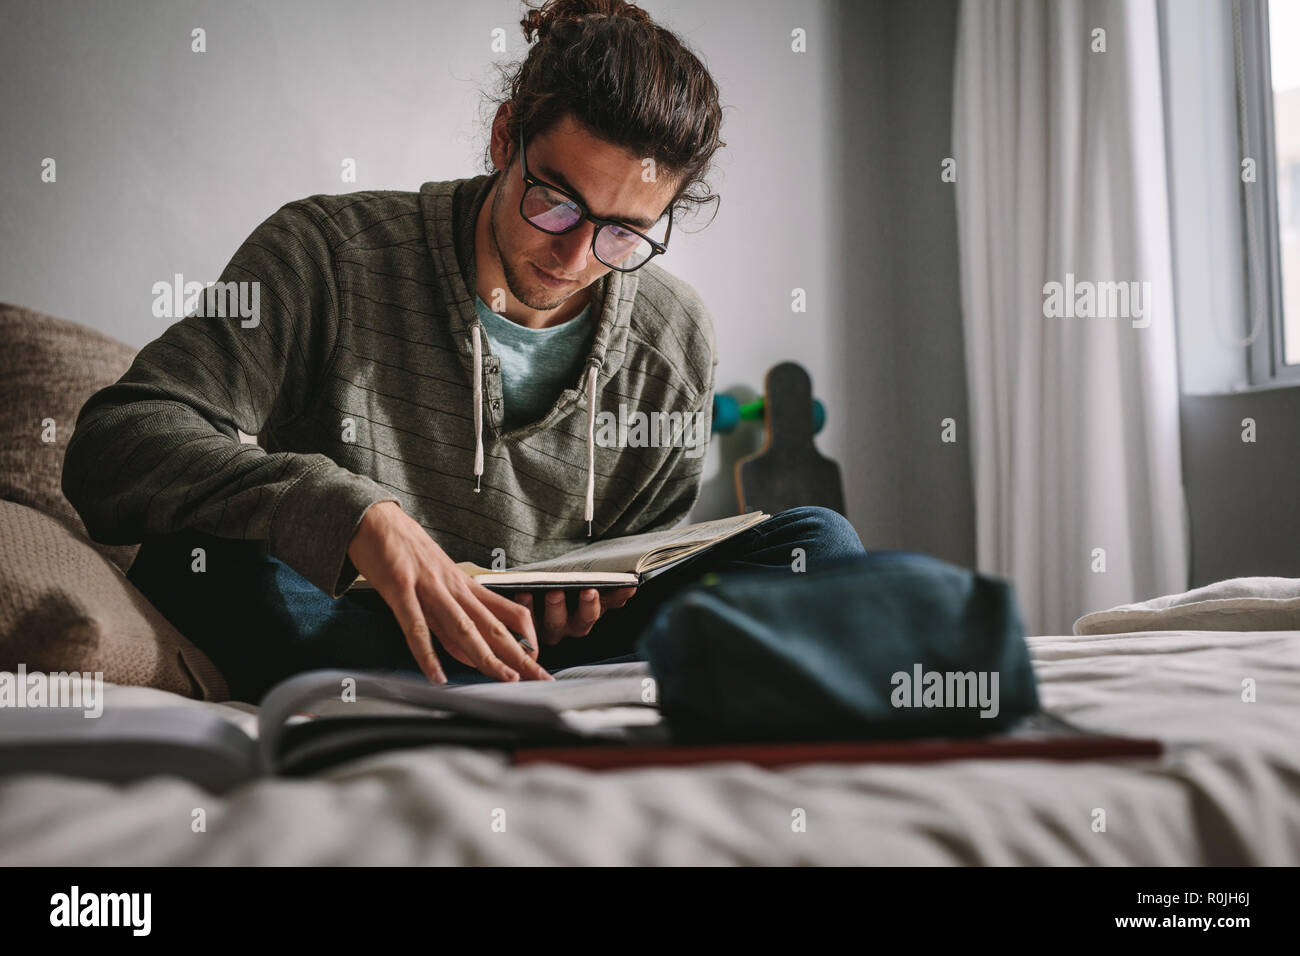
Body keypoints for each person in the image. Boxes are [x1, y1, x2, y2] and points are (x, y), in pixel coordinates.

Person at [61, 0, 865, 703]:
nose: (576, 257)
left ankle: (491, 686)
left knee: (821, 547)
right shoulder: (329, 254)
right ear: (505, 136)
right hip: (359, 613)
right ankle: (498, 688)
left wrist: (595, 592)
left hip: (543, 646)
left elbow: (646, 553)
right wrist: (352, 515)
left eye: (623, 233)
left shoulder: (675, 336)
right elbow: (113, 447)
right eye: (555, 201)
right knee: (193, 560)